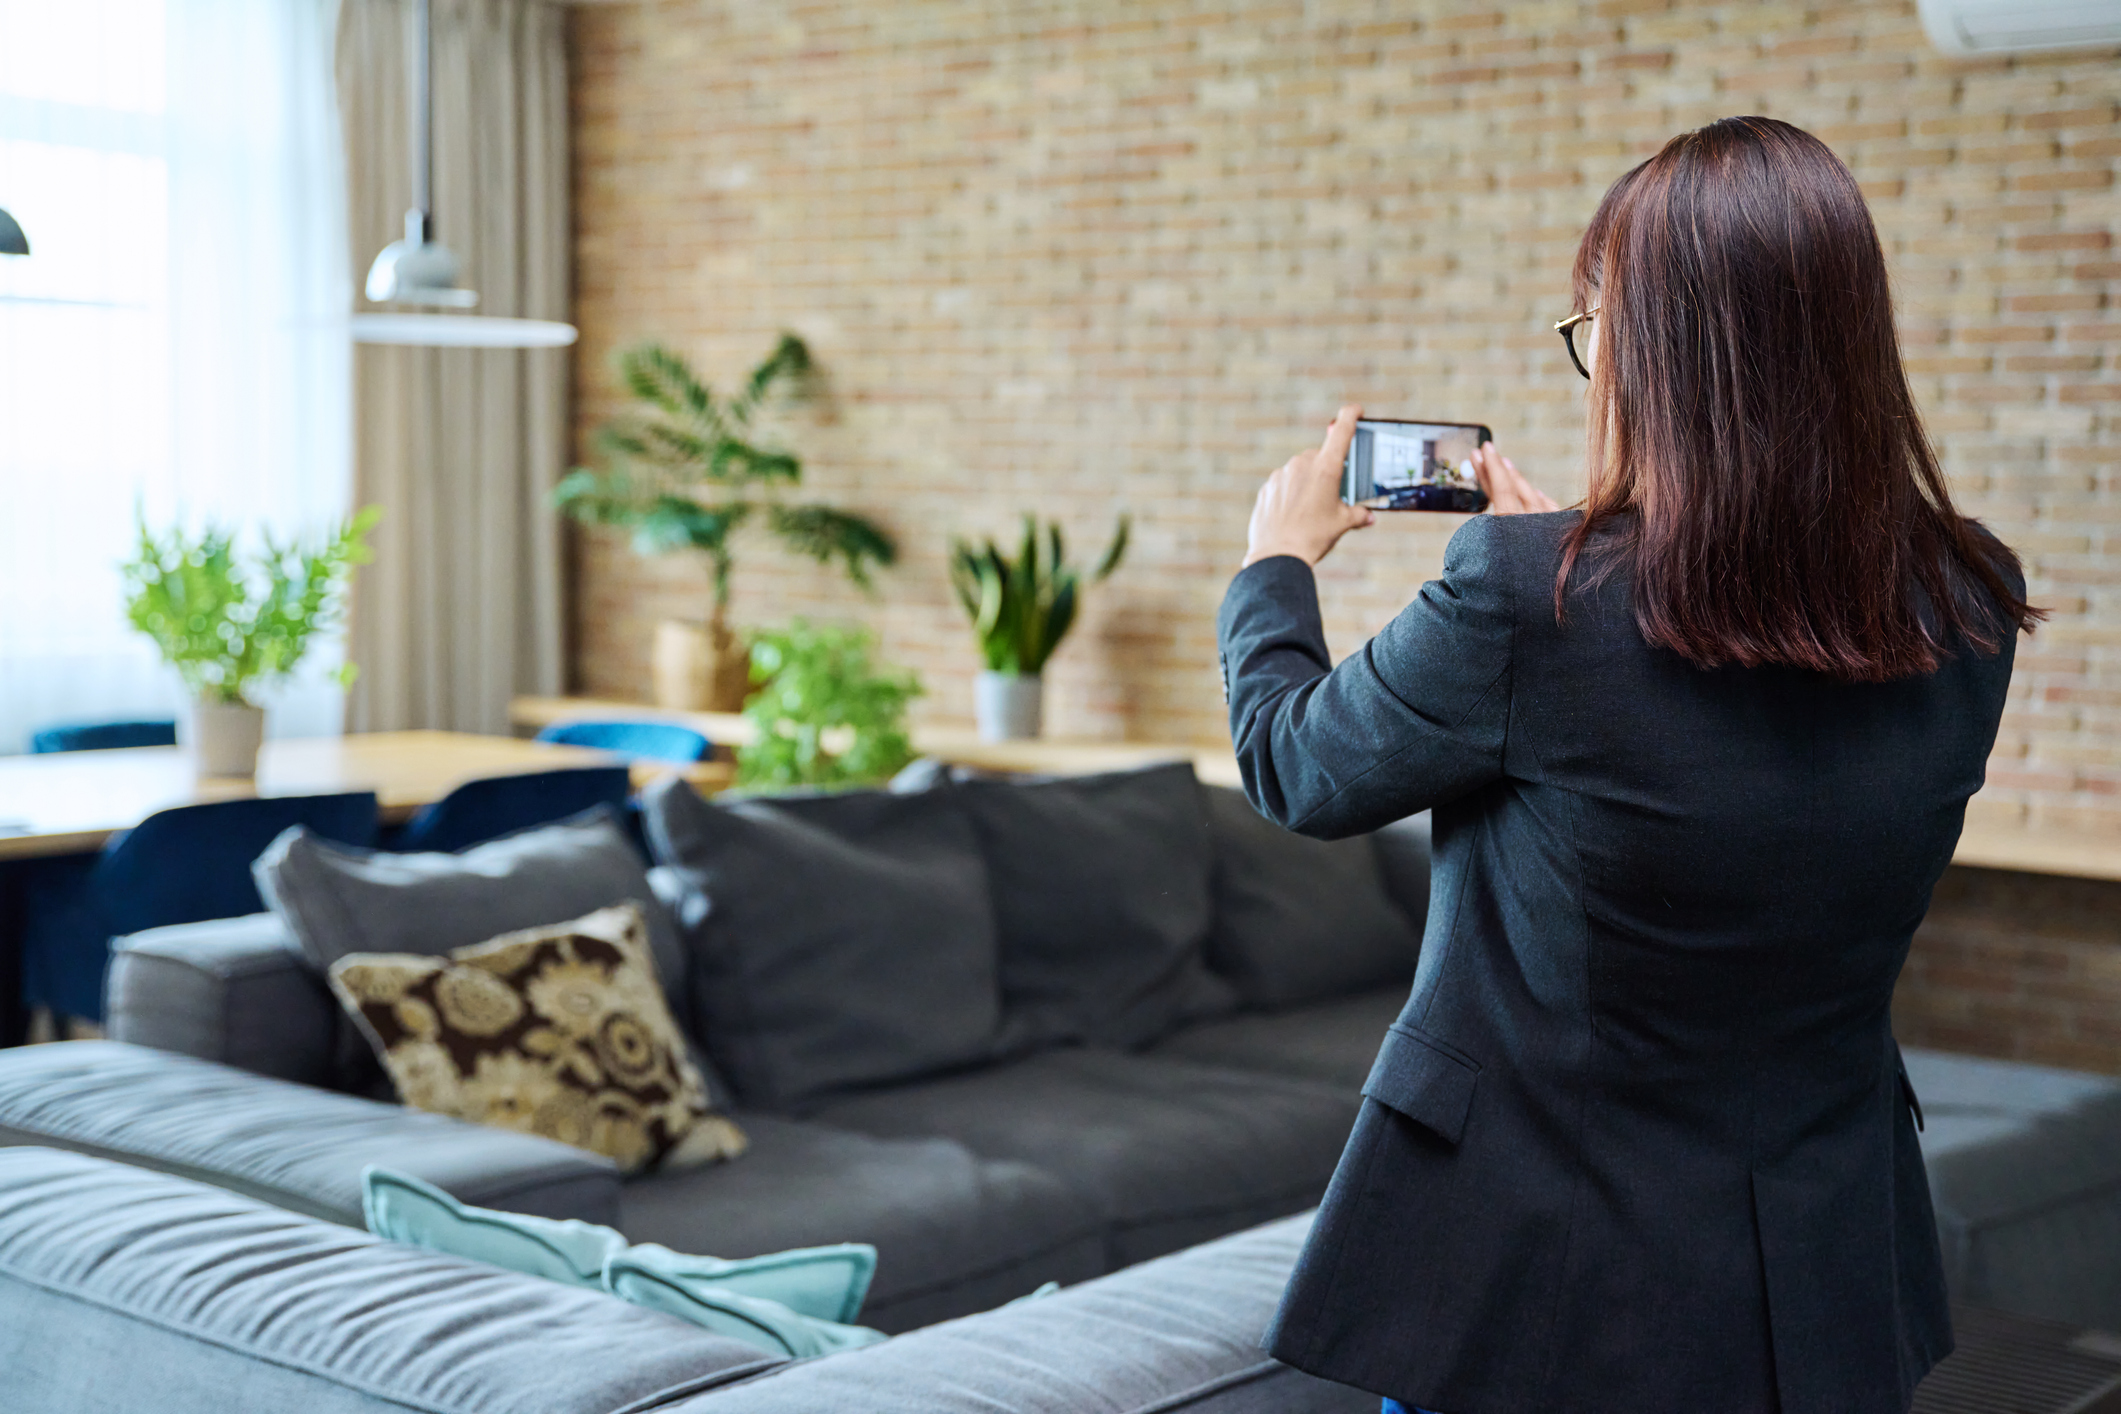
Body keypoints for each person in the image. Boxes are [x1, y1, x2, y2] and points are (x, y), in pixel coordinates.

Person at [1217, 116, 2039, 1414]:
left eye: (1591, 327)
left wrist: (1274, 565)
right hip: (1817, 1277)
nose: (1586, 362)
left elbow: (1293, 766)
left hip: (1539, 1287)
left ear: (1653, 352)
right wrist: (1559, 570)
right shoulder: (1968, 595)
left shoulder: (1524, 602)